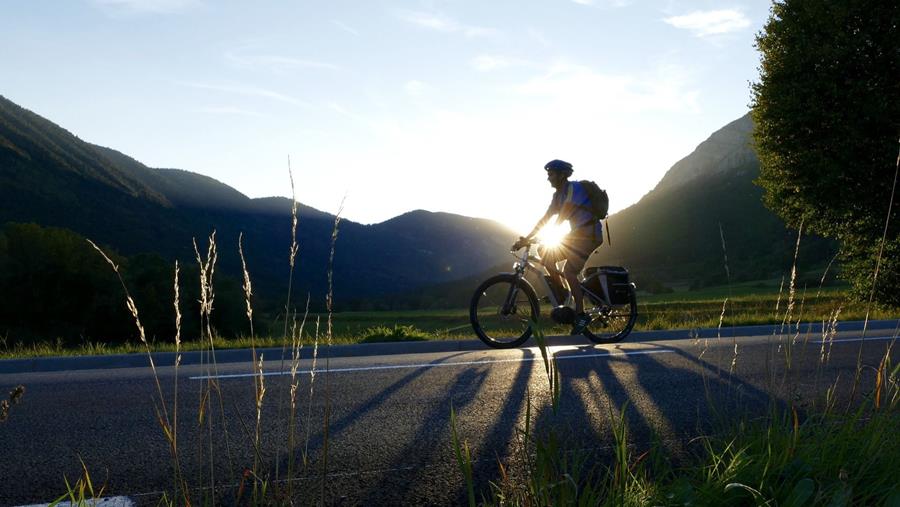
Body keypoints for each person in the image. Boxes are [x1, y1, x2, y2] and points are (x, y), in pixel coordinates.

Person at [512, 159, 604, 334]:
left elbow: (564, 214)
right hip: (578, 235)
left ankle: (581, 314)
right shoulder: (557, 196)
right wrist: (527, 238)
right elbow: (545, 218)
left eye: (551, 174)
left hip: (590, 234)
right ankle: (563, 294)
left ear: (562, 175)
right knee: (544, 253)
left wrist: (547, 234)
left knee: (569, 271)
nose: (548, 178)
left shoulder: (572, 189)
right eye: (548, 175)